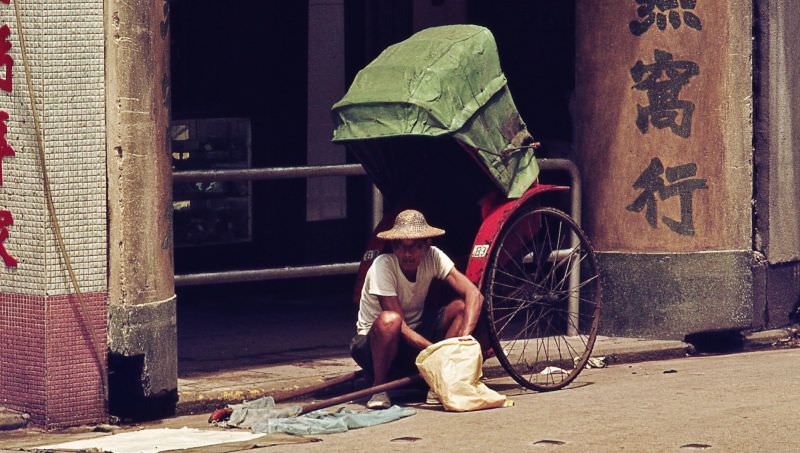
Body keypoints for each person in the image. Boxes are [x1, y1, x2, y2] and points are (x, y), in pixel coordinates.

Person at [351, 209, 483, 409]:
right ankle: (379, 388)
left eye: (414, 247)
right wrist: (435, 351)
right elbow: (400, 325)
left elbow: (474, 294)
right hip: (373, 343)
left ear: (426, 246)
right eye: (401, 247)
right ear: (394, 247)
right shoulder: (383, 266)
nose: (407, 254)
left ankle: (439, 380)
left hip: (413, 338)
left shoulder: (434, 256)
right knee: (390, 320)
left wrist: (462, 341)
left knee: (460, 308)